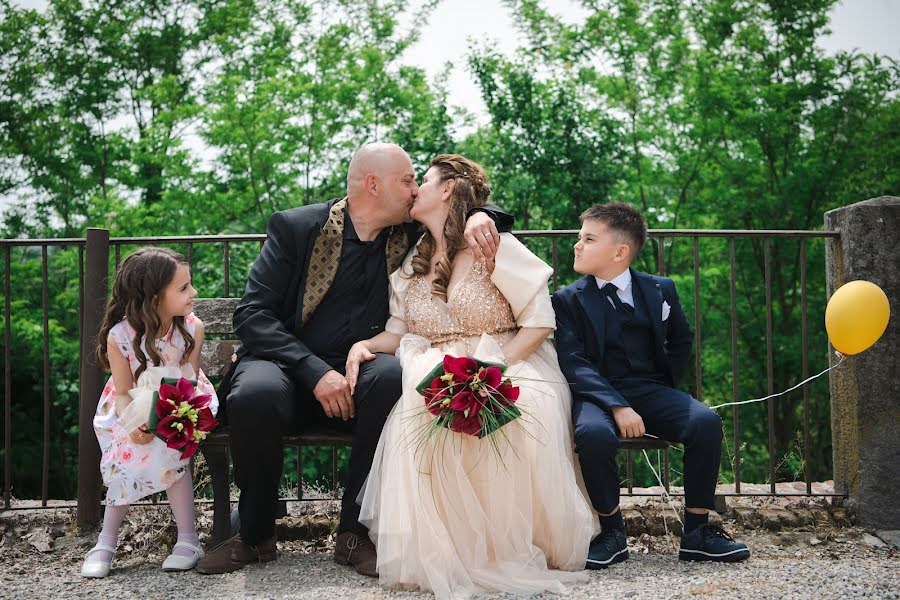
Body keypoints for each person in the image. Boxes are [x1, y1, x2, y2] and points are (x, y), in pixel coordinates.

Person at [196, 143, 512, 575]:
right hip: (286, 366)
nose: (415, 189)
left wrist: (482, 215)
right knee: (254, 393)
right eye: (406, 180)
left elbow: (464, 213)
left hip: (362, 367)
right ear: (373, 184)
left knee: (391, 377)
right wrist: (315, 371)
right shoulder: (297, 227)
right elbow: (252, 314)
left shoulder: (408, 235)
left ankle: (353, 533)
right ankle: (254, 536)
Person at [348, 154, 597, 599]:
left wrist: (492, 370)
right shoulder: (412, 261)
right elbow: (396, 331)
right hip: (435, 365)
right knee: (418, 408)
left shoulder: (495, 245)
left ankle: (502, 545)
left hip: (507, 358)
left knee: (516, 410)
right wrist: (362, 346)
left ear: (447, 189)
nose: (413, 191)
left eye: (421, 181)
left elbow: (539, 322)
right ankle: (443, 552)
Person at [552, 202, 750, 567]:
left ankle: (697, 534)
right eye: (579, 238)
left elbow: (682, 339)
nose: (577, 245)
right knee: (593, 434)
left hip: (649, 388)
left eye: (588, 238)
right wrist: (616, 405)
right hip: (597, 393)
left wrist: (665, 389)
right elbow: (573, 361)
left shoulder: (660, 289)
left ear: (620, 251)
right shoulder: (567, 300)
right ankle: (612, 533)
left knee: (705, 421)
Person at [81, 248, 218, 578]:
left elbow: (189, 380)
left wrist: (172, 418)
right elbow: (124, 392)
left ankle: (188, 539)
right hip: (128, 405)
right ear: (154, 297)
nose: (193, 293)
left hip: (181, 400)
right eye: (183, 288)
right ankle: (106, 541)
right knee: (130, 447)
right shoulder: (120, 337)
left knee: (171, 442)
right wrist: (134, 424)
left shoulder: (191, 328)